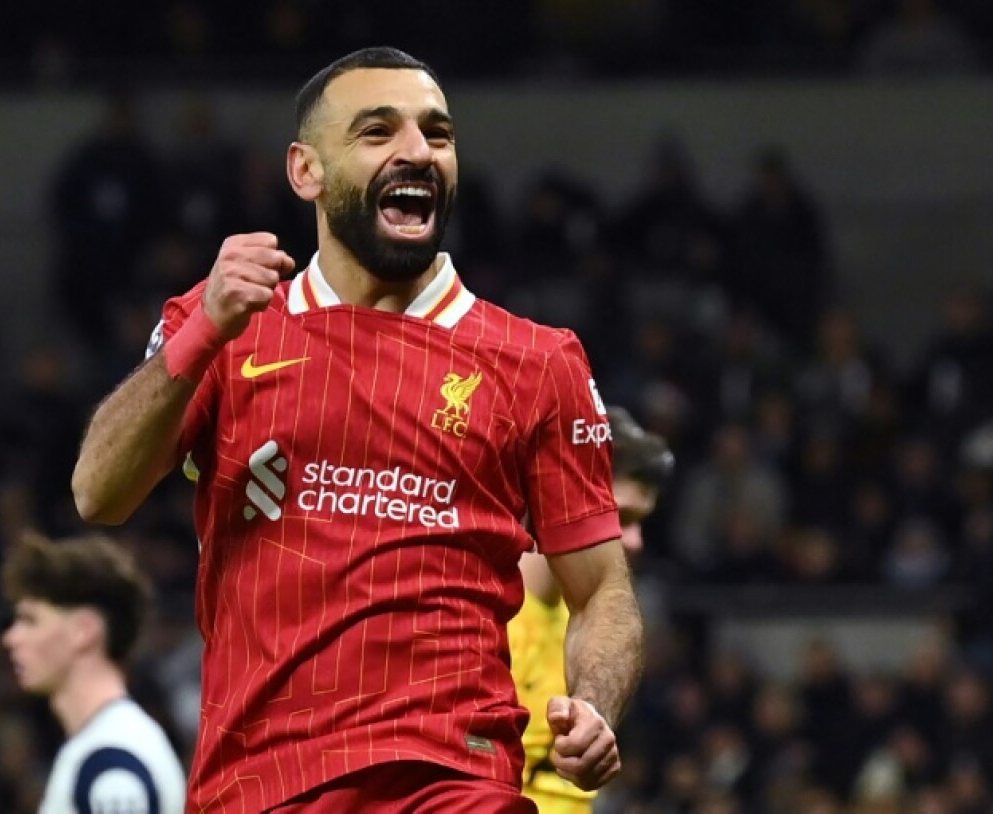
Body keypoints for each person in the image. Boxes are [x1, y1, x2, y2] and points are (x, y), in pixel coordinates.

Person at [71, 46, 644, 813]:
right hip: (261, 784)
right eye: (378, 131)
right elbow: (98, 493)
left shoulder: (537, 361)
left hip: (453, 780)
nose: (418, 151)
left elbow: (602, 587)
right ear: (306, 170)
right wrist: (202, 329)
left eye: (437, 134)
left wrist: (597, 703)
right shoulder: (227, 327)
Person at [509, 406, 674, 814]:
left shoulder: (597, 635)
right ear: (563, 496)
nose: (634, 541)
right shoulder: (488, 615)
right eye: (621, 517)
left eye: (641, 522)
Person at [0, 531, 186, 814]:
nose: (11, 638)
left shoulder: (112, 759)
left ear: (84, 631)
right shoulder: (101, 745)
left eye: (30, 620)